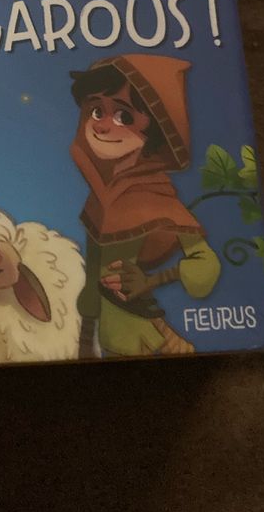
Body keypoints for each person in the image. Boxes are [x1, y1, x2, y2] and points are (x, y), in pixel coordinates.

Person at [69, 54, 220, 358]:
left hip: (147, 334)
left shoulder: (157, 197)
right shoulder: (101, 195)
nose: (102, 127)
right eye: (97, 111)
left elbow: (207, 263)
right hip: (105, 336)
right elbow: (94, 273)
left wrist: (151, 280)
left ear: (155, 133)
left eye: (124, 117)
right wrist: (86, 333)